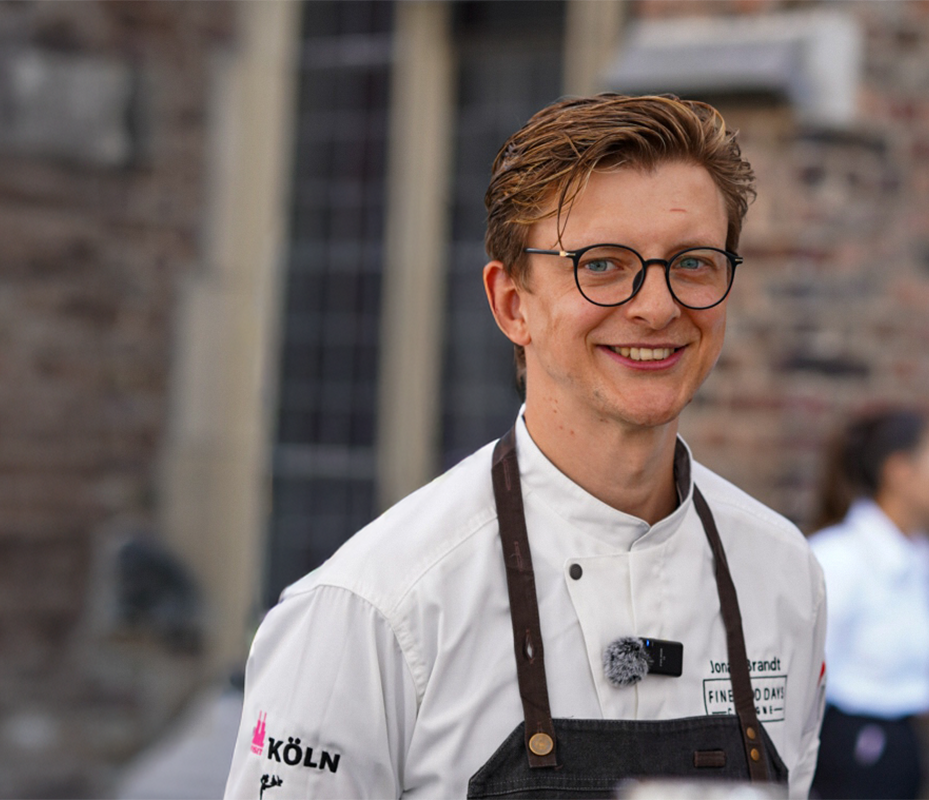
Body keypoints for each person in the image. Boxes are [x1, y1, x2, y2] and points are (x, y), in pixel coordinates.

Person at [223, 94, 828, 799]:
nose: (658, 307)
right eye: (602, 264)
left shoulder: (784, 577)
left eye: (693, 262)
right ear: (512, 304)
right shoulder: (372, 610)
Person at [807, 409, 929, 800]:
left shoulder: (917, 555)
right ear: (899, 471)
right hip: (849, 751)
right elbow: (801, 675)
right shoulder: (839, 558)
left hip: (900, 742)